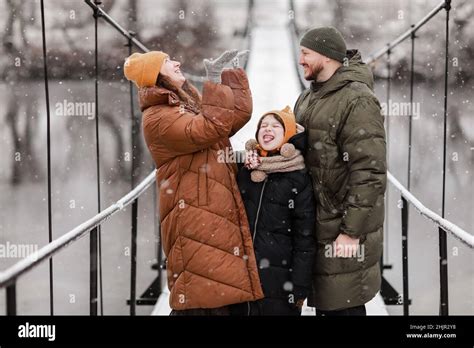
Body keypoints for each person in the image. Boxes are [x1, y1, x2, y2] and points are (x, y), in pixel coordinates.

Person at [124, 49, 264, 315]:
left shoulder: (184, 103)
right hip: (194, 218)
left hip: (212, 211)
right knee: (205, 297)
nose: (177, 62)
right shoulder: (158, 118)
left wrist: (230, 76)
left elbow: (233, 118)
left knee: (220, 293)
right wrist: (212, 82)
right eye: (167, 62)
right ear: (155, 76)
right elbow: (211, 127)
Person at [294, 26, 387, 316]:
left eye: (306, 53)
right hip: (314, 225)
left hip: (340, 230)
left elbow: (369, 171)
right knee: (327, 304)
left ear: (327, 55)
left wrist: (350, 232)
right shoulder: (308, 97)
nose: (300, 60)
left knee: (341, 306)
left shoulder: (357, 99)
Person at [236, 106, 316, 315]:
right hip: (241, 277)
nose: (267, 129)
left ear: (288, 135)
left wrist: (299, 286)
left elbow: (304, 239)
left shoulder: (298, 178)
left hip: (280, 283)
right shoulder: (245, 170)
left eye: (275, 125)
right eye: (263, 125)